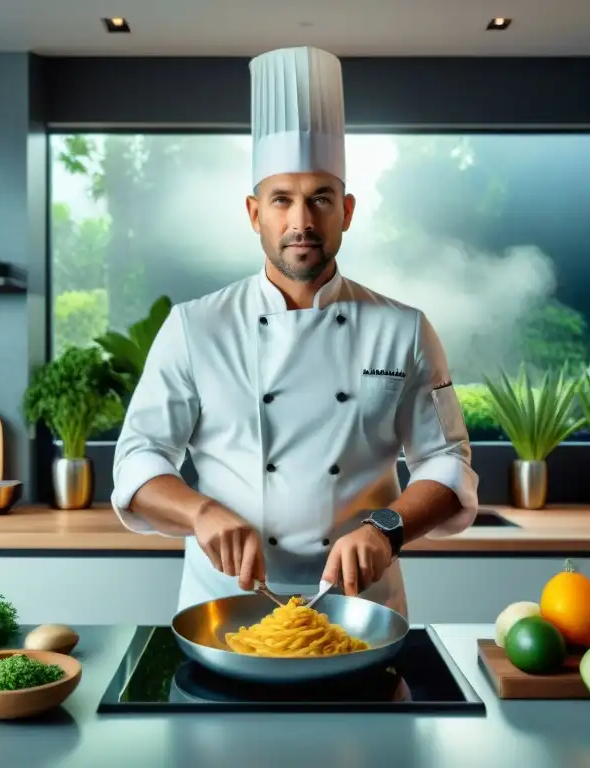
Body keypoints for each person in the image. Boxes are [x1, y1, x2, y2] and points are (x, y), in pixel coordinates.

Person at [111, 46, 479, 617]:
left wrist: (386, 528)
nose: (301, 222)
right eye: (282, 200)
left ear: (348, 211)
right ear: (255, 213)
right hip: (224, 608)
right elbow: (138, 459)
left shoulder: (403, 330)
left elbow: (447, 462)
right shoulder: (194, 326)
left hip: (363, 609)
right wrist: (200, 513)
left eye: (320, 200)